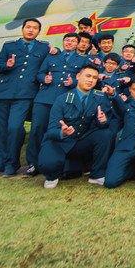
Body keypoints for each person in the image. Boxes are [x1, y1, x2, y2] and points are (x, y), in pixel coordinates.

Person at [0, 18, 53, 177]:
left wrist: (55, 50)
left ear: (39, 31)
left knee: (15, 128)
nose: (31, 30)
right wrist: (7, 65)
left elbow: (50, 62)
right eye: (28, 27)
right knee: (1, 130)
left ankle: (12, 163)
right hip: (3, 93)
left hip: (25, 94)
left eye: (35, 28)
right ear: (23, 29)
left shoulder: (43, 48)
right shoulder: (9, 46)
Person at [38, 65, 118, 188]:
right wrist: (63, 132)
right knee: (49, 165)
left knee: (106, 134)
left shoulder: (100, 97)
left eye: (95, 78)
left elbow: (104, 124)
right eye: (88, 76)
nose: (91, 80)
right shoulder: (62, 99)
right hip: (60, 142)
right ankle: (54, 174)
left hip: (81, 141)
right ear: (78, 76)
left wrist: (103, 121)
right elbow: (51, 130)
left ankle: (97, 175)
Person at [24, 32, 86, 177]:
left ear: (78, 44)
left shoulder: (82, 60)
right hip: (45, 98)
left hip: (65, 101)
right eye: (67, 40)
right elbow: (39, 73)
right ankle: (33, 163)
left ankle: (56, 161)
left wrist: (74, 82)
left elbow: (85, 79)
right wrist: (44, 78)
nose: (69, 43)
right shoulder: (52, 56)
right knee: (37, 129)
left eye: (72, 41)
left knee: (59, 131)